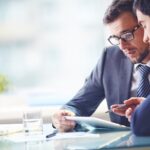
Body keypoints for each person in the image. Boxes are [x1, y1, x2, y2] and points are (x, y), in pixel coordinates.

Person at [51, 0, 150, 132]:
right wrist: (64, 115)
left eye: (127, 35)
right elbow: (79, 103)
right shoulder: (110, 58)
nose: (122, 46)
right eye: (116, 38)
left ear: (144, 25)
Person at [111, 0, 150, 136]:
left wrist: (143, 111)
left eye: (144, 25)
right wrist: (146, 105)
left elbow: (140, 123)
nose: (146, 38)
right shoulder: (110, 58)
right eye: (116, 38)